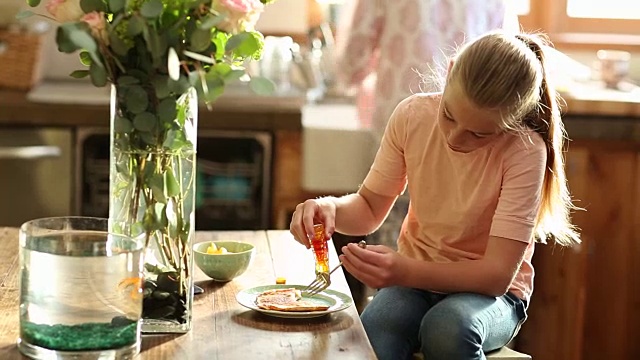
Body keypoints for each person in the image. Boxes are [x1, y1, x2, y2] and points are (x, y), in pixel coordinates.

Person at [289, 30, 581, 360]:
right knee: (372, 336)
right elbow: (369, 207)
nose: (455, 137)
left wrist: (404, 271)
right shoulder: (412, 116)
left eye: (479, 133)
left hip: (493, 298)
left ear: (513, 120)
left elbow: (496, 276)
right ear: (450, 70)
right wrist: (330, 208)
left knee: (447, 327)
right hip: (414, 285)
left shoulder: (525, 152)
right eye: (449, 115)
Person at [331, 0, 520, 263]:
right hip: (480, 135)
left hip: (400, 121)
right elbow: (512, 61)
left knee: (389, 254)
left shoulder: (410, 115)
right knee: (463, 245)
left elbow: (352, 62)